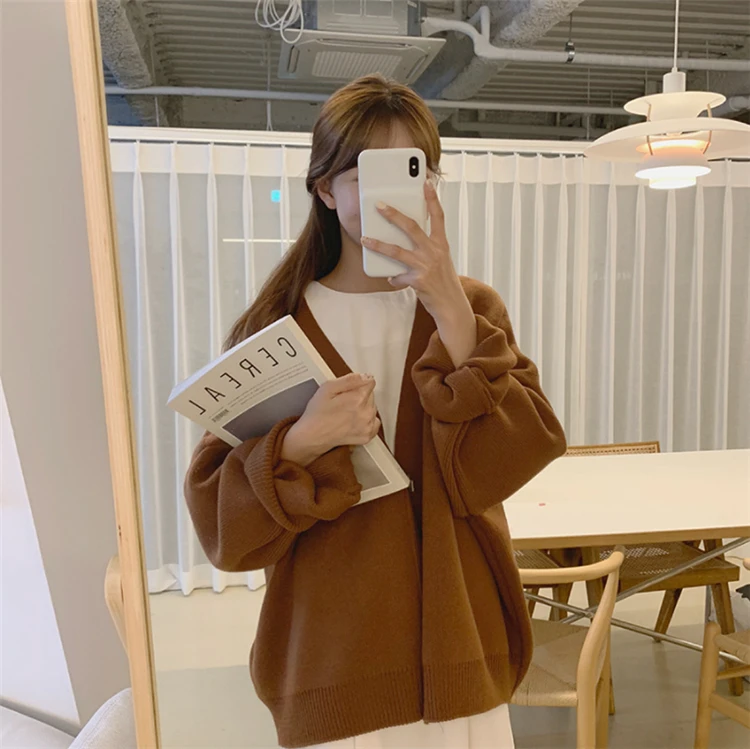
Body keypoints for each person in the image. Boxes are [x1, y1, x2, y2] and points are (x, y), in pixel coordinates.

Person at [185, 74, 567, 749]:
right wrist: (300, 443)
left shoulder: (472, 309)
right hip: (332, 658)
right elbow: (224, 530)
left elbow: (512, 459)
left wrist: (451, 309)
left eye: (411, 169)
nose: (390, 192)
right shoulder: (276, 327)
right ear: (326, 191)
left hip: (461, 645)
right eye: (364, 173)